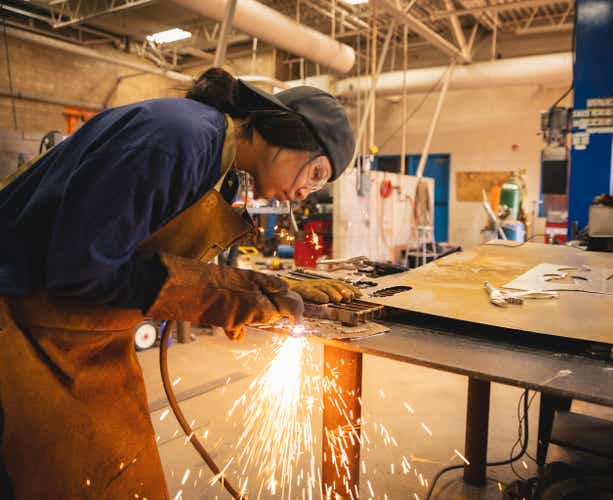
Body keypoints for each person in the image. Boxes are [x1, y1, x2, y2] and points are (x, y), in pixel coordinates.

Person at [0, 68, 360, 499]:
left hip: (72, 336)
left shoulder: (217, 165)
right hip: (18, 325)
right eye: (316, 173)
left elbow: (140, 259)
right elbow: (80, 267)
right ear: (289, 132)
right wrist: (224, 293)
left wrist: (255, 285)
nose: (306, 193)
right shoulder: (179, 139)